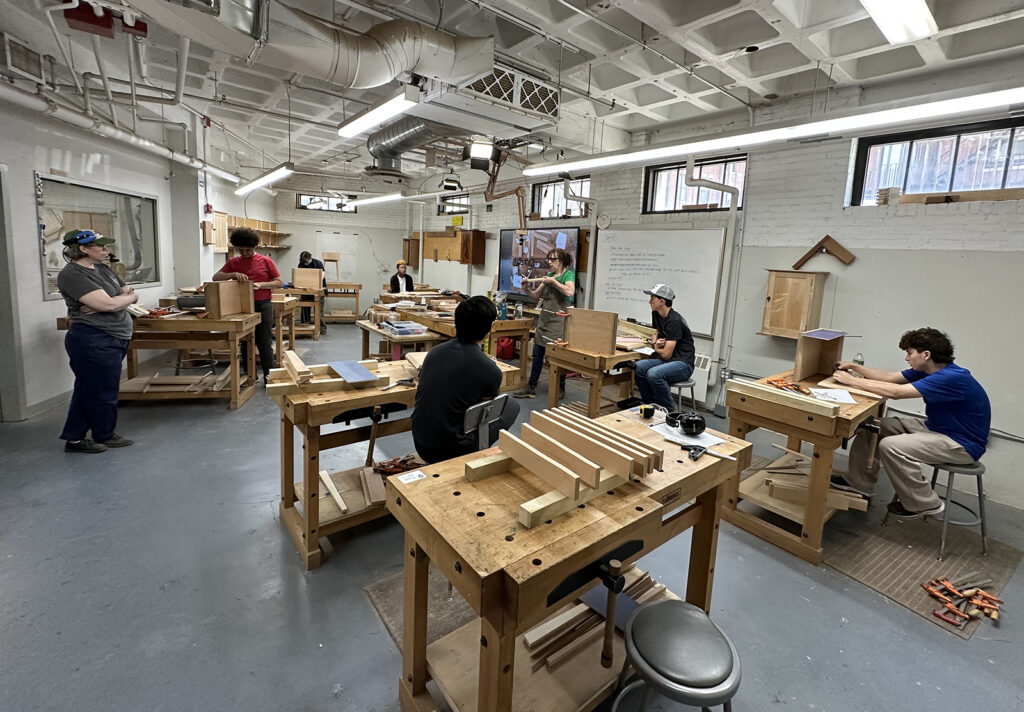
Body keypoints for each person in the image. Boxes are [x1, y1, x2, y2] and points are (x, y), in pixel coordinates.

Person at [830, 328, 991, 519]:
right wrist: (854, 367)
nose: (907, 358)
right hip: (937, 429)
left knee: (891, 446)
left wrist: (852, 382)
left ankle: (925, 504)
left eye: (909, 353)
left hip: (961, 444)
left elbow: (896, 393)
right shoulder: (929, 370)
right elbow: (890, 378)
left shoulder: (951, 377)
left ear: (926, 354)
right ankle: (859, 483)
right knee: (873, 427)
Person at [57, 229, 139, 453]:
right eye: (100, 246)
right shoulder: (72, 275)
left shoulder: (102, 269)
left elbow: (130, 293)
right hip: (93, 338)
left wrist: (122, 298)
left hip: (115, 336)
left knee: (98, 388)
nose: (105, 250)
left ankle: (99, 434)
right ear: (83, 249)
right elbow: (109, 306)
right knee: (95, 390)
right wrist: (117, 301)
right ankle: (82, 438)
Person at [412, 296, 520, 464]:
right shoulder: (490, 369)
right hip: (452, 452)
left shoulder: (434, 353)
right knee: (512, 405)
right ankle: (476, 457)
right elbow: (483, 414)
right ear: (491, 327)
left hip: (421, 443)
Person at [212, 228, 283, 383]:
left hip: (263, 305)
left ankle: (269, 377)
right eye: (241, 250)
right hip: (241, 307)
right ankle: (249, 375)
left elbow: (279, 282)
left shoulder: (265, 261)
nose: (244, 253)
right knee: (244, 342)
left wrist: (261, 285)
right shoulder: (233, 262)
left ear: (254, 247)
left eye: (248, 250)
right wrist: (232, 274)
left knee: (264, 343)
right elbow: (216, 277)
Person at [513, 248, 575, 399]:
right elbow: (536, 295)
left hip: (558, 323)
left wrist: (553, 282)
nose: (550, 263)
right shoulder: (549, 276)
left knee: (559, 357)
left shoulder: (568, 275)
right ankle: (531, 386)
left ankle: (560, 387)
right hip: (544, 322)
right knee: (537, 355)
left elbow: (569, 292)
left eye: (553, 260)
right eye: (549, 260)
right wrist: (526, 289)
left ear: (562, 261)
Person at [633, 284, 695, 411]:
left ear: (661, 301)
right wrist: (656, 343)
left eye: (652, 298)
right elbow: (657, 336)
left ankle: (670, 409)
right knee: (639, 367)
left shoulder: (674, 321)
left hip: (683, 363)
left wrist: (655, 345)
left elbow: (665, 353)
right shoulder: (656, 314)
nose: (649, 301)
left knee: (653, 374)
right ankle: (652, 405)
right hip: (669, 360)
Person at [296, 251, 326, 334]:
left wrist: (313, 282)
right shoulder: (301, 264)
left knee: (319, 310)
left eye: (306, 261)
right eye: (304, 262)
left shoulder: (318, 263)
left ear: (310, 258)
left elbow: (322, 275)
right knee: (305, 308)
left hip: (318, 289)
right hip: (306, 290)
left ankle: (322, 328)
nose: (305, 263)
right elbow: (299, 276)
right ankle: (305, 326)